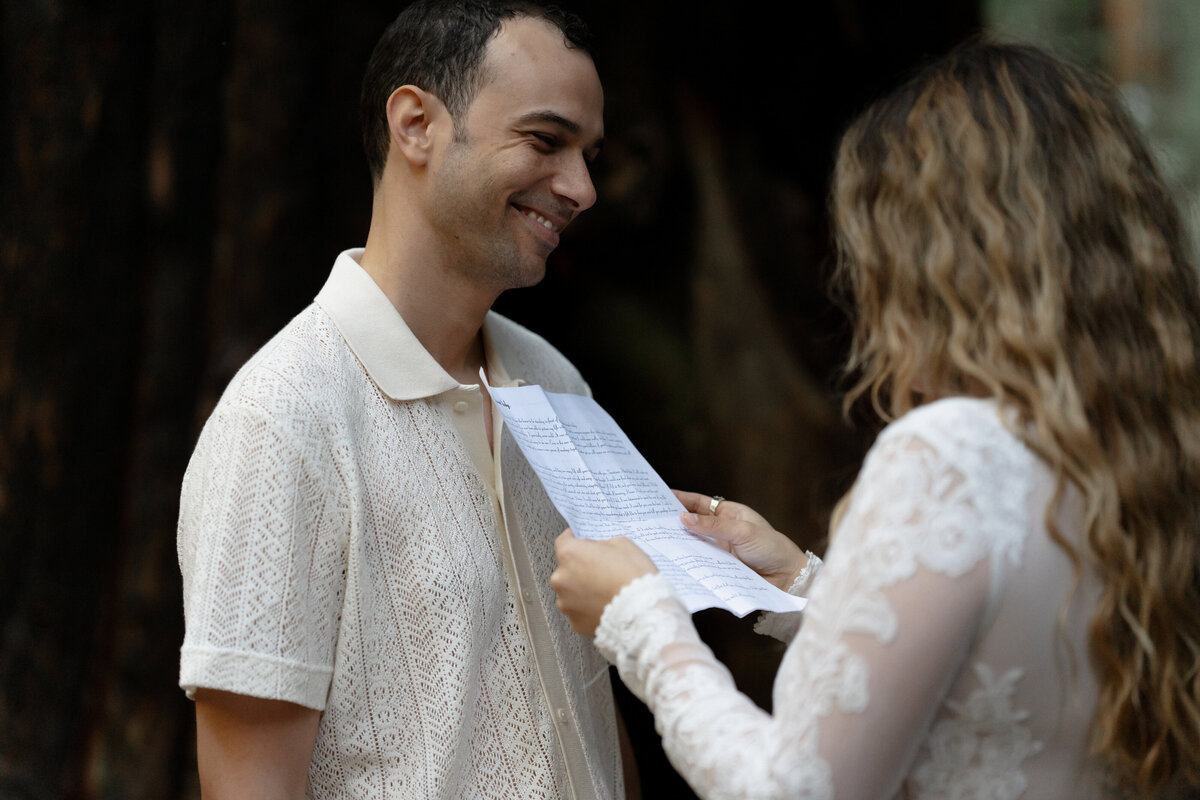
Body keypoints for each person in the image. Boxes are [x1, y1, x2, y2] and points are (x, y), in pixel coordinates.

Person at [550, 40, 1200, 799]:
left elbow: (794, 788)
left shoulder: (951, 453)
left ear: (938, 264)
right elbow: (991, 669)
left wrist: (639, 618)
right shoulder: (1143, 441)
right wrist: (795, 580)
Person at [176, 2, 629, 797]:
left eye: (588, 154)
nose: (582, 188)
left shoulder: (557, 384)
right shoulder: (280, 422)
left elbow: (590, 706)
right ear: (415, 124)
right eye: (546, 141)